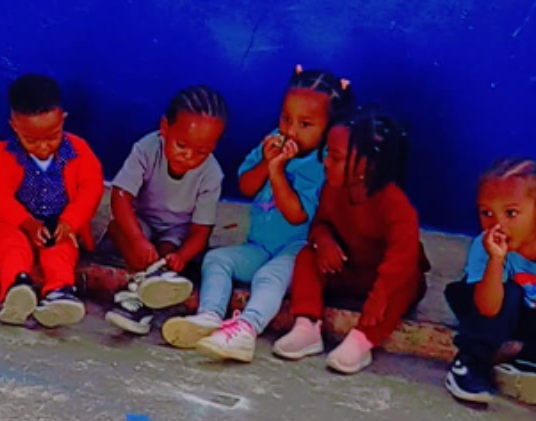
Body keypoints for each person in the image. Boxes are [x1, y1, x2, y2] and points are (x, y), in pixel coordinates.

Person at [162, 69, 349, 363]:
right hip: (259, 246)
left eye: (305, 124)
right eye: (286, 118)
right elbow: (246, 186)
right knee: (217, 260)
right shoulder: (273, 141)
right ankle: (209, 316)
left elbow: (297, 215)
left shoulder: (321, 162)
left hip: (298, 250)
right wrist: (266, 162)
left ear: (328, 127)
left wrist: (277, 171)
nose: (291, 131)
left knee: (268, 277)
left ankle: (246, 329)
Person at [279, 105, 429, 374]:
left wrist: (379, 297)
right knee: (306, 257)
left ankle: (362, 341)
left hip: (385, 282)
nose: (326, 162)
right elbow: (319, 224)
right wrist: (323, 240)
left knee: (405, 284)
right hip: (347, 270)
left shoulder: (396, 206)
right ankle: (307, 325)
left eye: (335, 157)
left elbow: (401, 261)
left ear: (368, 164)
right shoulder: (332, 188)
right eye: (327, 153)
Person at [443, 159, 536, 405]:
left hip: (534, 311)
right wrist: (496, 260)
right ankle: (470, 364)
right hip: (493, 307)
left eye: (511, 213)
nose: (497, 224)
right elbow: (488, 309)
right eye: (486, 213)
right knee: (503, 294)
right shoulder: (484, 246)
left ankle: (522, 364)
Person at [102, 85, 229, 336]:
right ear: (164, 127)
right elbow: (120, 197)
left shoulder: (212, 174)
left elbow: (201, 232)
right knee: (121, 231)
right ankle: (150, 285)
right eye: (181, 145)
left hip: (177, 231)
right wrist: (137, 239)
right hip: (142, 221)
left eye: (201, 152)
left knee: (166, 253)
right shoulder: (146, 149)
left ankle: (140, 299)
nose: (189, 156)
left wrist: (182, 256)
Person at [0, 74, 105, 328]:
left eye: (52, 136)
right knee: (12, 249)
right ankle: (16, 292)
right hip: (15, 223)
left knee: (60, 251)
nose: (43, 147)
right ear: (14, 126)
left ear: (63, 119)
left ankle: (59, 293)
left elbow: (91, 189)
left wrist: (70, 222)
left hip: (59, 222)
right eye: (31, 140)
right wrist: (26, 222)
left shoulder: (79, 150)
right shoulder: (6, 154)